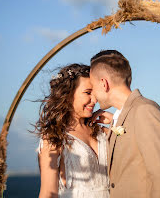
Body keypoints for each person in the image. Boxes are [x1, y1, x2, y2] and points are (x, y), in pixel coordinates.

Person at [90, 50, 160, 198]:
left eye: (92, 87)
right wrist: (114, 122)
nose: (93, 95)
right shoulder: (130, 114)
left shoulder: (145, 110)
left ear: (104, 83)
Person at [33, 64, 110, 198]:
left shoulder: (103, 132)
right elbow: (48, 193)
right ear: (68, 94)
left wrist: (116, 121)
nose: (94, 99)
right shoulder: (54, 137)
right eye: (87, 92)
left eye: (95, 93)